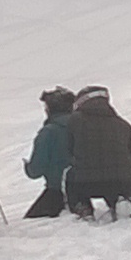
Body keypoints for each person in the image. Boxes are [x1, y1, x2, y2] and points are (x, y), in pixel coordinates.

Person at [65, 85, 131, 220]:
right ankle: (122, 202)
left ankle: (83, 207)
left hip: (85, 183)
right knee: (115, 181)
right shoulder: (123, 125)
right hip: (122, 182)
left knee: (70, 176)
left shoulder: (73, 122)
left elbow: (66, 152)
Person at [23, 87, 78, 219]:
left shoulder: (49, 132)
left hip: (57, 191)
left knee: (31, 223)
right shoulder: (83, 126)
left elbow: (35, 170)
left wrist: (28, 167)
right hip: (85, 187)